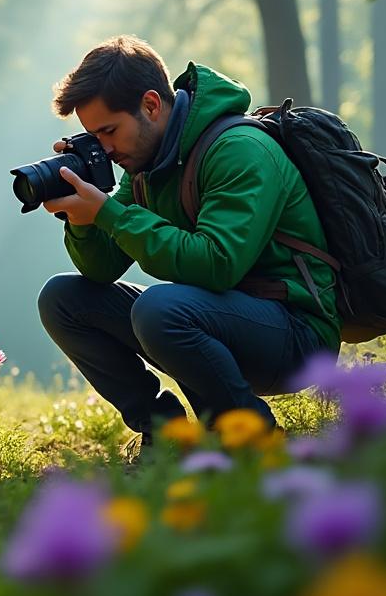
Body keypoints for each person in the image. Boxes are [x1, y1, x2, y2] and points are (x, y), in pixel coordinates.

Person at [36, 35, 341, 443]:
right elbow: (100, 268)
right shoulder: (147, 164)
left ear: (150, 104)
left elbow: (216, 264)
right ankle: (167, 434)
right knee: (63, 299)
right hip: (220, 319)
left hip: (297, 332)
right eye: (93, 137)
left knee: (158, 309)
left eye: (109, 131)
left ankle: (252, 438)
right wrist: (82, 218)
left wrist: (109, 213)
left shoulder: (238, 149)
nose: (104, 149)